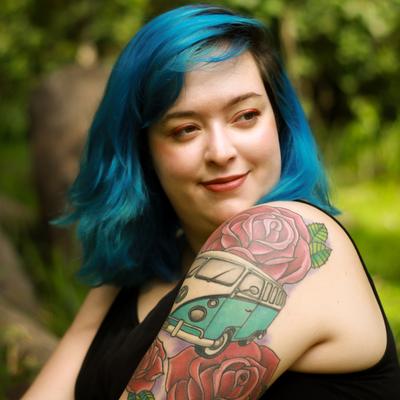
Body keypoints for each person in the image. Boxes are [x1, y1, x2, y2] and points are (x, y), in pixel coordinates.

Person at [23, 4, 400, 400]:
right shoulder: (124, 282)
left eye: (246, 116)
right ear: (142, 151)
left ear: (279, 122)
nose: (221, 152)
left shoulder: (282, 239)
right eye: (185, 129)